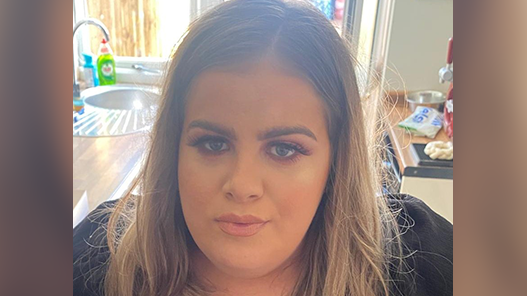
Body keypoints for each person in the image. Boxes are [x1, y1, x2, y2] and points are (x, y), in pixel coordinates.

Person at [73, 1, 453, 295]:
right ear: (174, 148)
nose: (242, 184)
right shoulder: (98, 257)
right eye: (213, 143)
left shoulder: (420, 259)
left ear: (336, 161)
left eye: (284, 149)